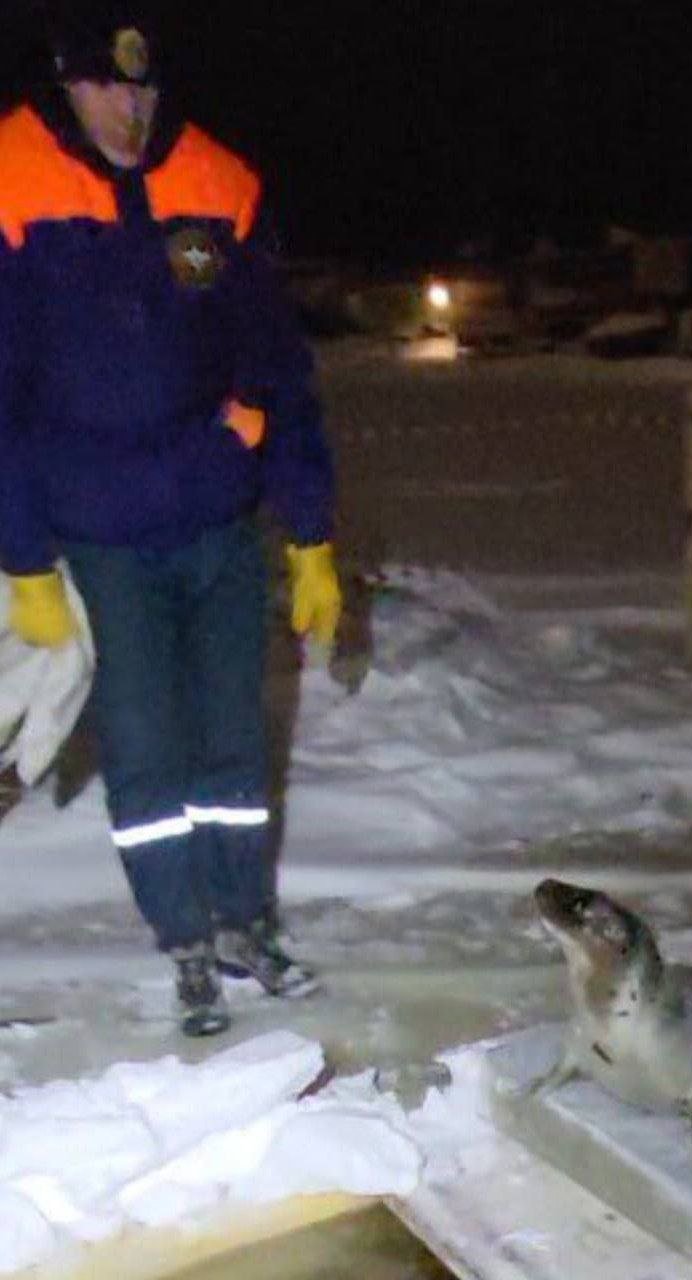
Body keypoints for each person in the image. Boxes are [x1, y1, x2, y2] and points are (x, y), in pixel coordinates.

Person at [0, 3, 343, 1036]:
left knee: (234, 736)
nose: (128, 105)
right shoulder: (10, 180)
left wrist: (312, 526)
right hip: (97, 530)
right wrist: (22, 557)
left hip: (213, 518)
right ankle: (183, 938)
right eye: (107, 85)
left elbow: (275, 363)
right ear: (65, 83)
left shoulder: (218, 185)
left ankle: (246, 922)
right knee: (146, 744)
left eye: (142, 85)